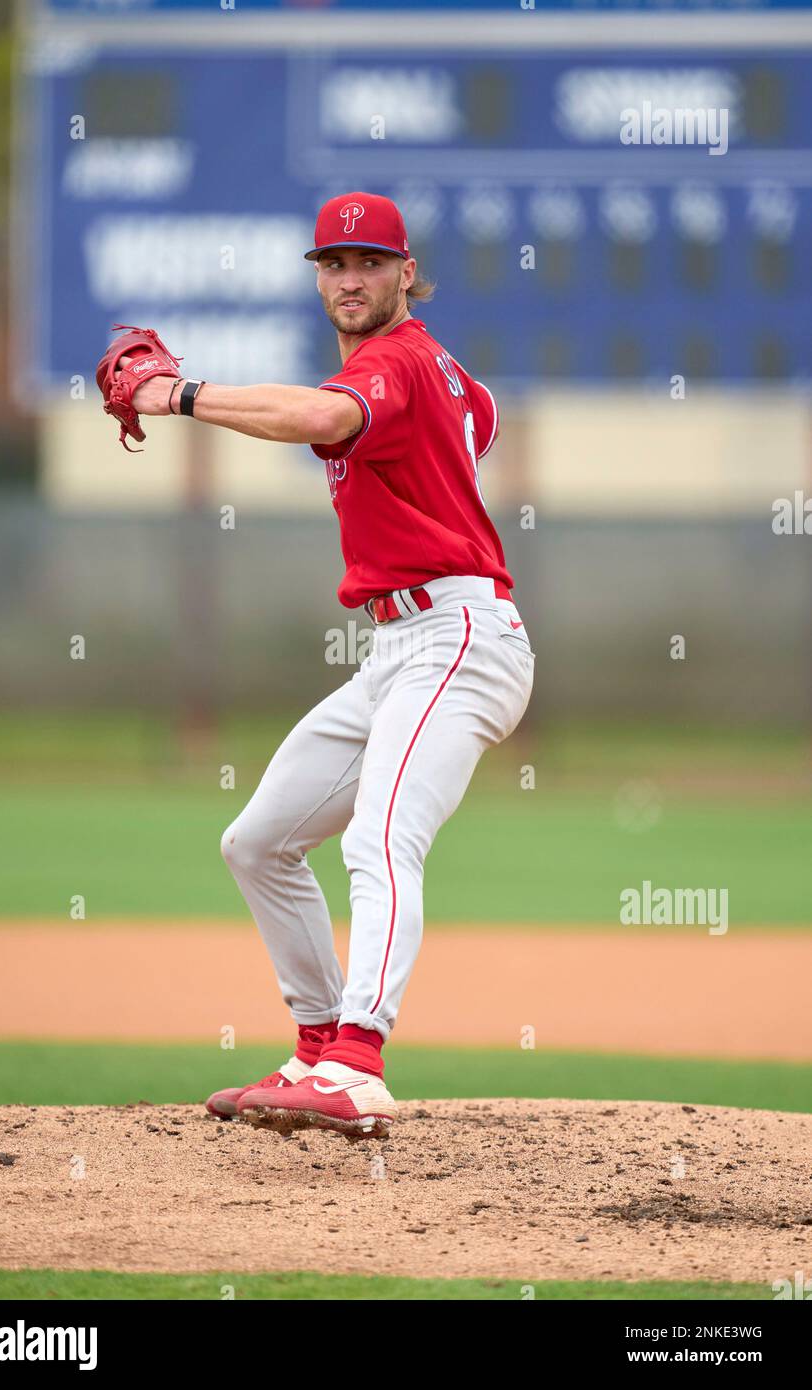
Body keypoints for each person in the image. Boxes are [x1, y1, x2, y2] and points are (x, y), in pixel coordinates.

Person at [120, 192, 535, 1140]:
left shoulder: (390, 362)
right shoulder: (438, 369)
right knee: (257, 842)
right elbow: (482, 417)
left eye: (370, 263)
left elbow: (317, 415)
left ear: (405, 272)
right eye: (333, 265)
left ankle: (356, 1063)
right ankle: (315, 1045)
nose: (349, 280)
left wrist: (178, 394)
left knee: (381, 839)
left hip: (459, 638)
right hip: (399, 647)